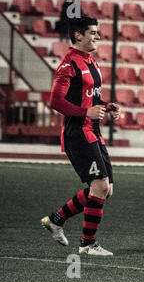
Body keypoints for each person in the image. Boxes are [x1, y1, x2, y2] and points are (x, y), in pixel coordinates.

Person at [40, 16, 120, 256]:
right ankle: (87, 244)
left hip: (93, 131)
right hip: (78, 133)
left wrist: (106, 105)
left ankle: (56, 220)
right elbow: (55, 101)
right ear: (78, 35)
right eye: (93, 32)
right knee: (100, 186)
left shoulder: (91, 62)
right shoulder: (69, 65)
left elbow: (91, 97)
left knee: (106, 189)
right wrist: (86, 111)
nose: (98, 36)